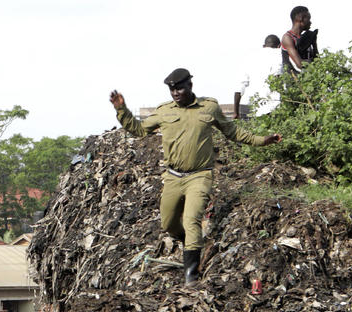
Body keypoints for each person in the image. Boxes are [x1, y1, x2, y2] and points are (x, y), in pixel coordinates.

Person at [109, 69, 282, 284]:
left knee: (192, 221)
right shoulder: (164, 111)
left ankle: (191, 277)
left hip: (199, 176)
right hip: (173, 177)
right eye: (172, 89)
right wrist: (121, 109)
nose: (175, 93)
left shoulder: (208, 107)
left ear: (190, 85)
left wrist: (263, 140)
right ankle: (191, 242)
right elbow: (139, 130)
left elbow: (233, 132)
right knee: (168, 223)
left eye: (179, 88)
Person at [281, 6, 318, 74]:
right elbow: (300, 64)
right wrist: (312, 62)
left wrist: (314, 43)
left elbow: (318, 60)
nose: (310, 22)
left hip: (307, 80)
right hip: (293, 81)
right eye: (308, 19)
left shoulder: (305, 38)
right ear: (300, 19)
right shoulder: (288, 38)